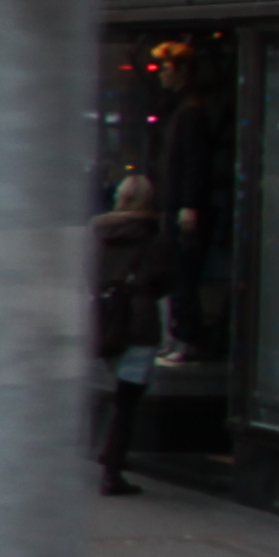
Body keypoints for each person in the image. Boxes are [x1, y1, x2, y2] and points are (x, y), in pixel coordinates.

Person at [97, 168, 177, 497]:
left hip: (104, 321)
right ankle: (112, 469)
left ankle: (108, 452)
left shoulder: (100, 236)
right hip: (139, 324)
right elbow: (164, 282)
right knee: (128, 401)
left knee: (115, 395)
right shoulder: (155, 239)